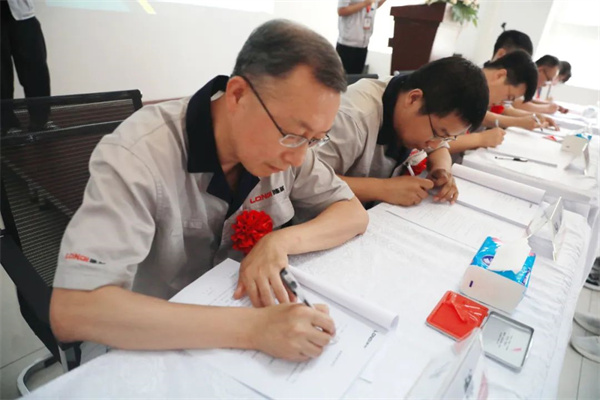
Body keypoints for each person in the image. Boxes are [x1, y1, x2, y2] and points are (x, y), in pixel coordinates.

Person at [49, 20, 369, 362]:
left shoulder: (290, 150)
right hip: (150, 336)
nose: (298, 158)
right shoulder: (138, 154)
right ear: (238, 95)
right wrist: (254, 329)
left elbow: (352, 213)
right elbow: (73, 311)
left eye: (315, 139)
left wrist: (278, 242)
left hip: (233, 312)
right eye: (292, 134)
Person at [314, 57, 488, 207]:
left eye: (446, 137)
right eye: (438, 133)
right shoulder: (353, 117)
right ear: (413, 99)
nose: (435, 144)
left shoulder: (410, 104)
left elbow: (439, 147)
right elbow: (309, 180)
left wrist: (441, 169)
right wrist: (382, 189)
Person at [449, 50, 539, 154]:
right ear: (500, 76)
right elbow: (436, 144)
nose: (502, 104)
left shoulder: (475, 93)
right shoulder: (459, 84)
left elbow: (484, 117)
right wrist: (480, 139)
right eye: (508, 97)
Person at [1, 0, 53, 135]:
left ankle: (40, 121)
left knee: (36, 71)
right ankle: (6, 125)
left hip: (23, 13)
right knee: (2, 76)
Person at [336, 0, 386, 74]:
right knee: (343, 77)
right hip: (347, 44)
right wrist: (364, 3)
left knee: (357, 78)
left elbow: (374, 6)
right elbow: (341, 11)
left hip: (364, 43)